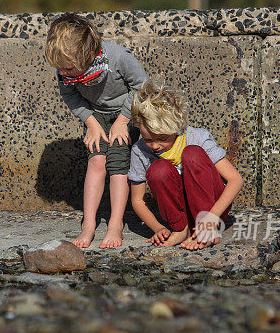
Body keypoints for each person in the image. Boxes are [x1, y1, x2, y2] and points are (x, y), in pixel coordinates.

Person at [44, 13, 148, 249]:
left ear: (90, 55)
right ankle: (88, 224)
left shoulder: (118, 58)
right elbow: (69, 95)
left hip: (127, 112)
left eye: (69, 69)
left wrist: (123, 121)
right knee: (97, 161)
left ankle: (115, 223)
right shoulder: (66, 68)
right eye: (60, 69)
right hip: (96, 115)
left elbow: (142, 86)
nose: (63, 74)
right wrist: (90, 123)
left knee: (118, 164)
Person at [127, 80, 243, 250]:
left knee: (192, 153)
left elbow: (235, 179)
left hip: (211, 210)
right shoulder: (140, 150)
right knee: (158, 169)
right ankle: (181, 230)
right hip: (178, 216)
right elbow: (137, 200)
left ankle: (207, 231)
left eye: (163, 138)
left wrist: (212, 218)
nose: (155, 146)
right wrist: (159, 228)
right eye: (149, 140)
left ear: (176, 127)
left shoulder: (196, 137)